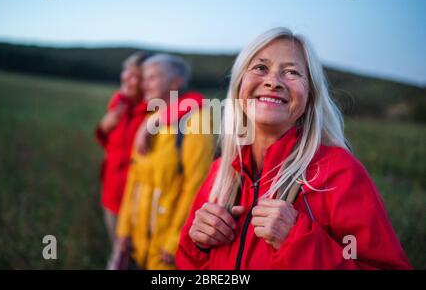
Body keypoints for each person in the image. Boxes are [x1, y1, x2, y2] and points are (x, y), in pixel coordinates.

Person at [176, 27, 412, 270]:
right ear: (239, 86)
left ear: (310, 97)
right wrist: (199, 244)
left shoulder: (340, 172)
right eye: (260, 68)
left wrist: (298, 242)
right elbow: (187, 264)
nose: (272, 81)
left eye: (291, 72)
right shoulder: (220, 172)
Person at [114, 54, 215, 269]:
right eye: (143, 78)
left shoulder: (196, 122)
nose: (144, 84)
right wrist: (123, 230)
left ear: (175, 82)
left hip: (166, 249)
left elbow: (196, 188)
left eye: (152, 77)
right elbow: (134, 180)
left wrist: (176, 240)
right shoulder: (149, 119)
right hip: (138, 243)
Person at [95, 52, 151, 243]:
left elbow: (195, 100)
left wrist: (159, 119)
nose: (126, 77)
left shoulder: (156, 109)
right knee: (117, 252)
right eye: (126, 71)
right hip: (111, 195)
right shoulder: (119, 101)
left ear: (148, 82)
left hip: (137, 205)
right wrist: (104, 126)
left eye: (135, 75)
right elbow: (111, 145)